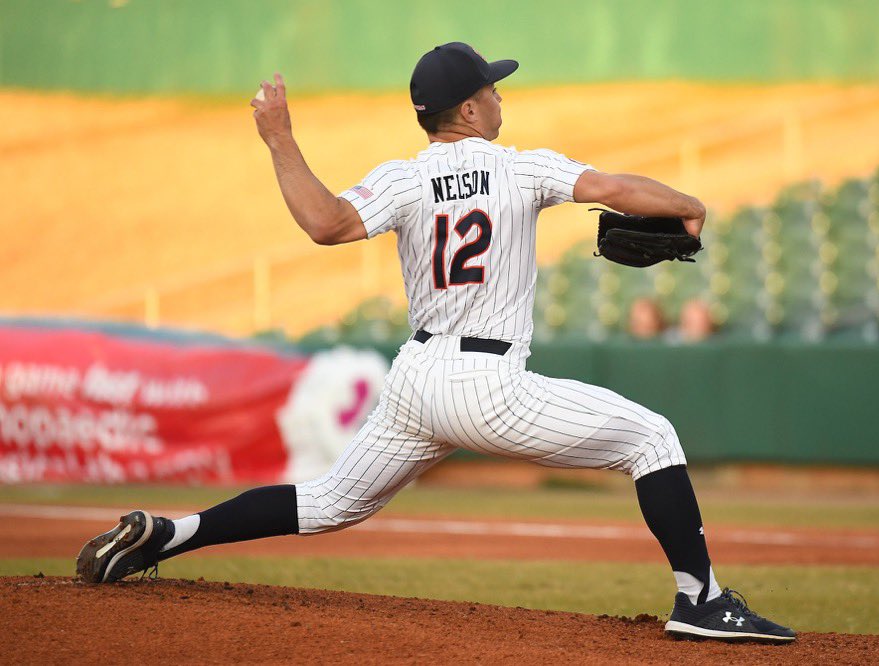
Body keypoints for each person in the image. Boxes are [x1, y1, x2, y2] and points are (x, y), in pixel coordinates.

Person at [77, 42, 794, 643]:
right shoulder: (518, 165)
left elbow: (324, 224)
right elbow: (610, 186)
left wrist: (280, 139)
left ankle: (166, 535)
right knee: (652, 438)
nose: (501, 100)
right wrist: (689, 207)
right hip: (487, 386)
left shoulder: (405, 178)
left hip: (416, 378)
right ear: (471, 110)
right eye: (493, 90)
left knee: (330, 502)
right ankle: (699, 599)